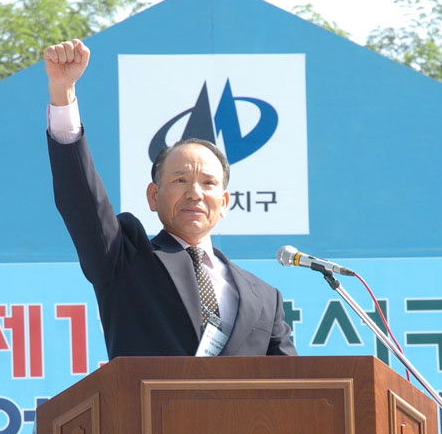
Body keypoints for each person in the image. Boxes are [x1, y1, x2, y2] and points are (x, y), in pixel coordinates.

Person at [44, 39, 297, 359]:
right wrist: (63, 91)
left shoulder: (264, 297)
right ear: (153, 196)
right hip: (148, 409)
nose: (195, 193)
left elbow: (290, 386)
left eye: (208, 183)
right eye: (180, 180)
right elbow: (81, 200)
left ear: (225, 202)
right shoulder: (125, 258)